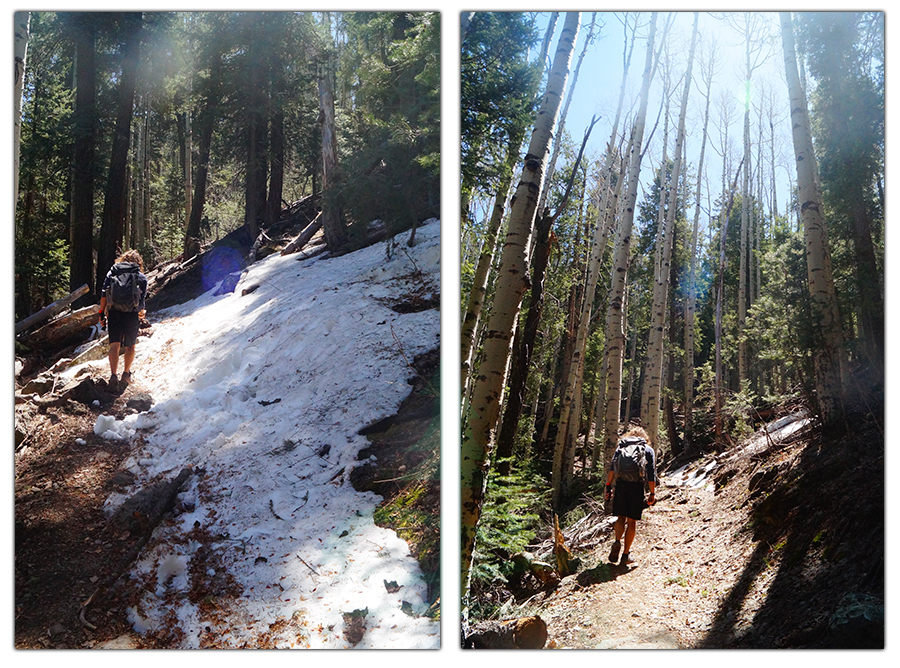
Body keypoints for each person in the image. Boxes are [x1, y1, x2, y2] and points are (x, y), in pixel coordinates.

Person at [605, 425, 657, 566]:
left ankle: (617, 541)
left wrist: (608, 487)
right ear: (645, 438)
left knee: (621, 517)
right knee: (632, 521)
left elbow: (612, 468)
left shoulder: (621, 447)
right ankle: (626, 554)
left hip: (621, 485)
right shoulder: (647, 449)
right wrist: (652, 493)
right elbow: (651, 474)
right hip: (636, 486)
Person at [98, 249, 148, 390]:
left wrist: (101, 313)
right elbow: (141, 303)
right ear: (138, 262)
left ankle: (113, 375)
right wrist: (141, 313)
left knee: (115, 345)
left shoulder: (112, 273)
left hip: (114, 312)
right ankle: (126, 374)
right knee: (130, 346)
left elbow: (103, 296)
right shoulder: (141, 277)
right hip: (131, 314)